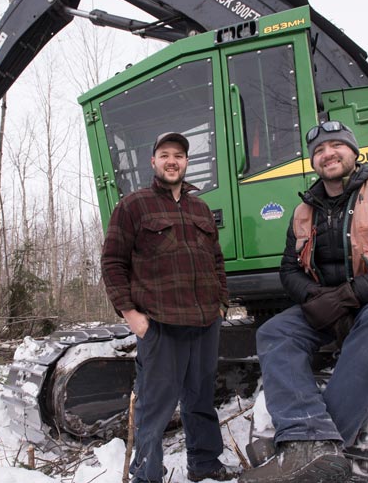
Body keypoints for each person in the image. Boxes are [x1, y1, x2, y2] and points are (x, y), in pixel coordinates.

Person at [239, 120, 368, 483]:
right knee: (274, 331)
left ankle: (308, 450)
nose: (327, 154)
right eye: (318, 151)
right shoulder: (303, 211)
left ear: (353, 151)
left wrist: (351, 294)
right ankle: (306, 441)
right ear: (313, 162)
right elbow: (288, 269)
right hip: (326, 304)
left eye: (335, 146)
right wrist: (312, 297)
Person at [101, 132, 238, 483]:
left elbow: (216, 261)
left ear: (187, 162)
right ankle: (147, 474)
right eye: (164, 154)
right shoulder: (134, 205)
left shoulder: (200, 208)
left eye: (178, 155)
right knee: (155, 405)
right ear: (153, 162)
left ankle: (205, 464)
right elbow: (113, 262)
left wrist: (221, 303)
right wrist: (131, 314)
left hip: (205, 321)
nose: (172, 161)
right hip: (160, 323)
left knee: (201, 398)